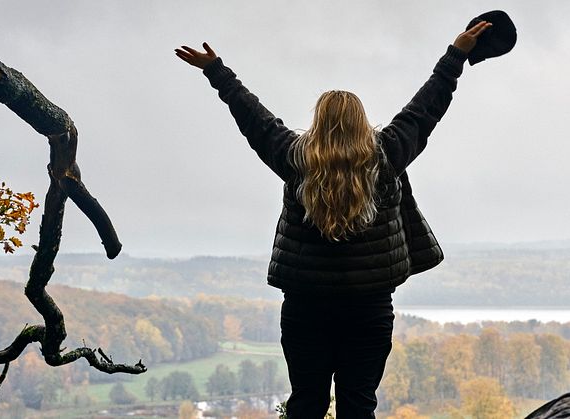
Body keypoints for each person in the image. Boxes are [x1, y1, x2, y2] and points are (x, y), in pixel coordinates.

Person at [176, 20, 491, 419]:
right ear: (362, 122)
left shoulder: (295, 158)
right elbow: (425, 109)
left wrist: (217, 71)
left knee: (306, 403)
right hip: (370, 309)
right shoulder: (387, 155)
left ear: (318, 122)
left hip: (305, 308)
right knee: (358, 404)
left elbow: (254, 119)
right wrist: (456, 55)